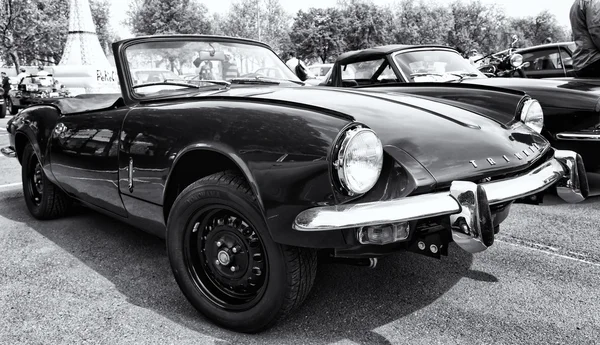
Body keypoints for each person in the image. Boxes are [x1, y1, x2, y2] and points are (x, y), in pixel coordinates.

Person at [570, 0, 600, 77]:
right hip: (593, 60)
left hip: (583, 61)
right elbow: (596, 31)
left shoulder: (576, 4)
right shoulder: (593, 2)